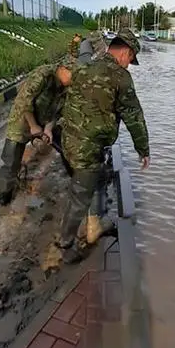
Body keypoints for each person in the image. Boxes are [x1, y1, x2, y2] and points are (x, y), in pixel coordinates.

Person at [57, 28, 150, 263]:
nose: (129, 65)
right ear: (125, 52)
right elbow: (134, 117)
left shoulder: (86, 65)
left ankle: (94, 225)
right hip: (86, 149)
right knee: (79, 197)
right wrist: (143, 150)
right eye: (130, 59)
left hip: (67, 141)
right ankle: (65, 246)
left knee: (95, 181)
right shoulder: (121, 78)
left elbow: (63, 76)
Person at [0, 60, 73, 206]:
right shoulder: (43, 75)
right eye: (72, 76)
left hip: (44, 119)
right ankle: (4, 198)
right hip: (22, 120)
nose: (73, 81)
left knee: (67, 147)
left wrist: (48, 129)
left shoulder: (66, 87)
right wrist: (33, 126)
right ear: (63, 69)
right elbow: (24, 101)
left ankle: (77, 182)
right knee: (10, 161)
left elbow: (58, 111)